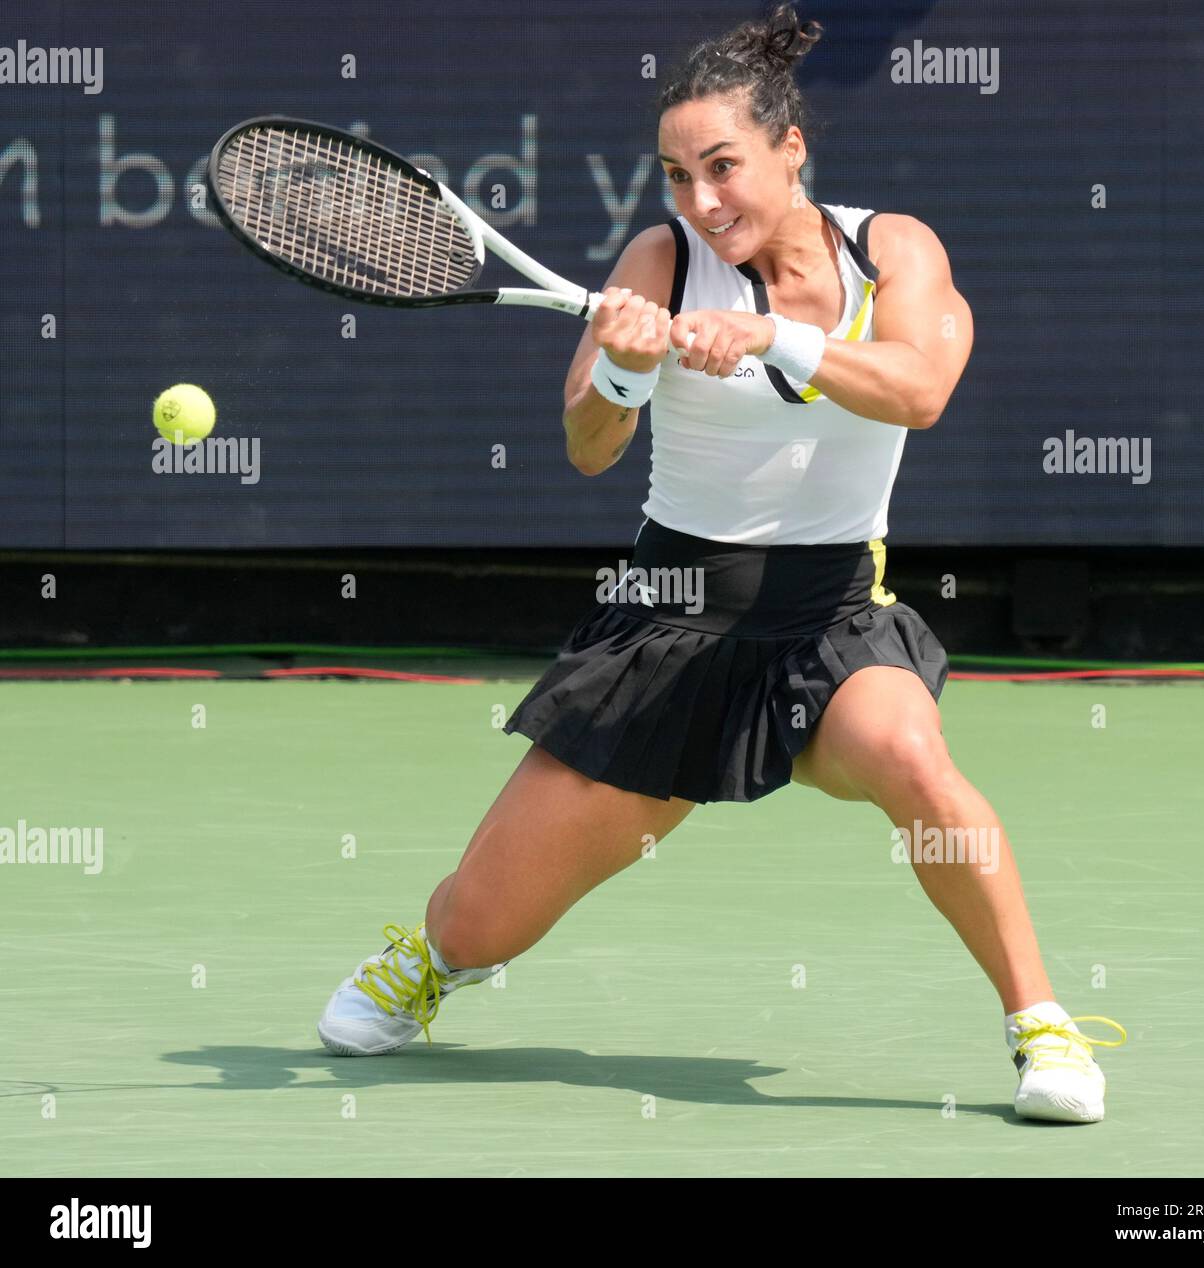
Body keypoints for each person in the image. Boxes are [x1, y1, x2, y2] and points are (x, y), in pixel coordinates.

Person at [318, 4, 1125, 1123]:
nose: (701, 200)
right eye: (676, 174)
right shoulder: (659, 259)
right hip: (668, 625)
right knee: (478, 920)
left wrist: (772, 338)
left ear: (791, 149)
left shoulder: (892, 250)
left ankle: (1042, 1027)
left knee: (914, 757)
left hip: (831, 622)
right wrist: (626, 372)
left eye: (724, 167)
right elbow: (587, 445)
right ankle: (435, 957)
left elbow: (919, 388)